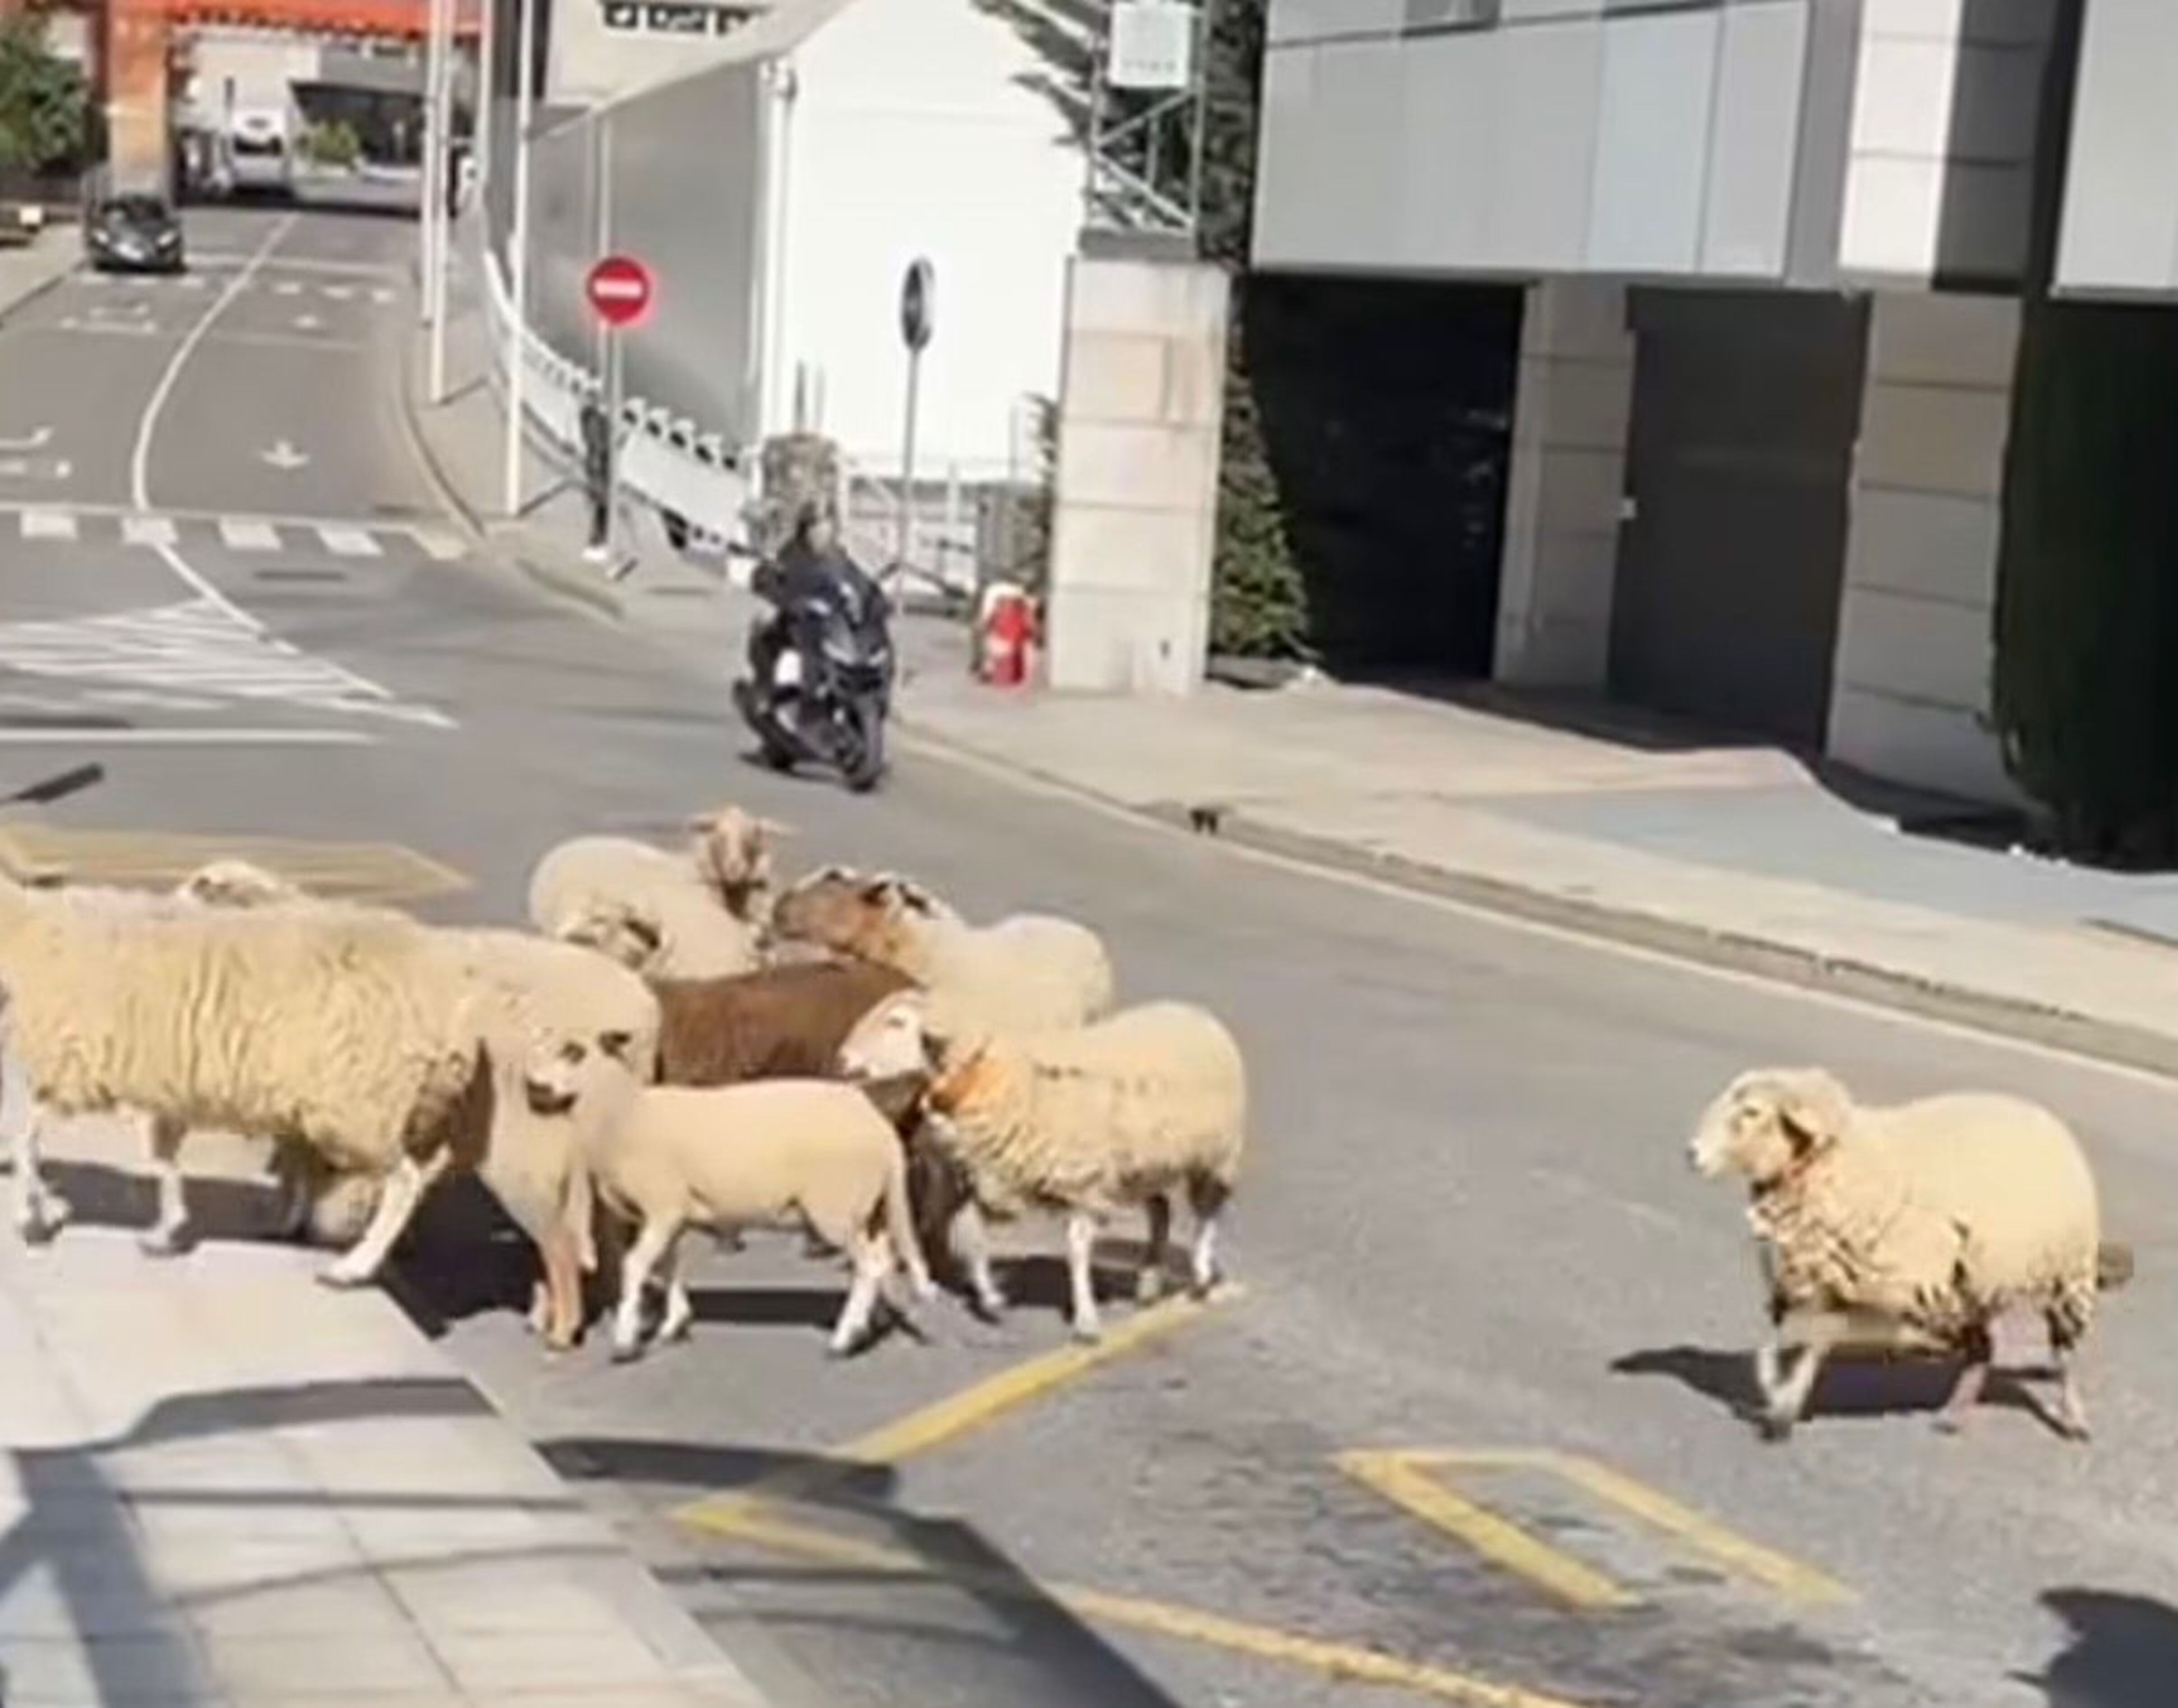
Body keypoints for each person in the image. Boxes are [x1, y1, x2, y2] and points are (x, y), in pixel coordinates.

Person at [746, 501, 885, 707]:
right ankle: (770, 690)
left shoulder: (840, 558)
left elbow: (861, 584)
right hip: (797, 622)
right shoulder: (790, 554)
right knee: (769, 630)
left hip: (833, 626)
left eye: (825, 527)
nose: (819, 534)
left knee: (869, 652)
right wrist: (785, 597)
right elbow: (767, 576)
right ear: (804, 530)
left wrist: (877, 602)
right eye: (814, 528)